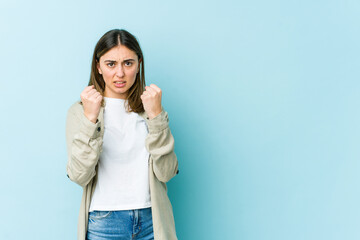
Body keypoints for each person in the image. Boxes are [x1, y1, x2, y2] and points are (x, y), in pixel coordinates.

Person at [65, 29, 179, 240]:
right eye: (111, 64)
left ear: (139, 64)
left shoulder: (152, 110)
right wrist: (90, 120)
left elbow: (167, 173)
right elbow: (79, 175)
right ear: (98, 66)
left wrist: (156, 117)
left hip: (151, 221)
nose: (120, 73)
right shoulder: (80, 112)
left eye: (128, 63)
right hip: (104, 223)